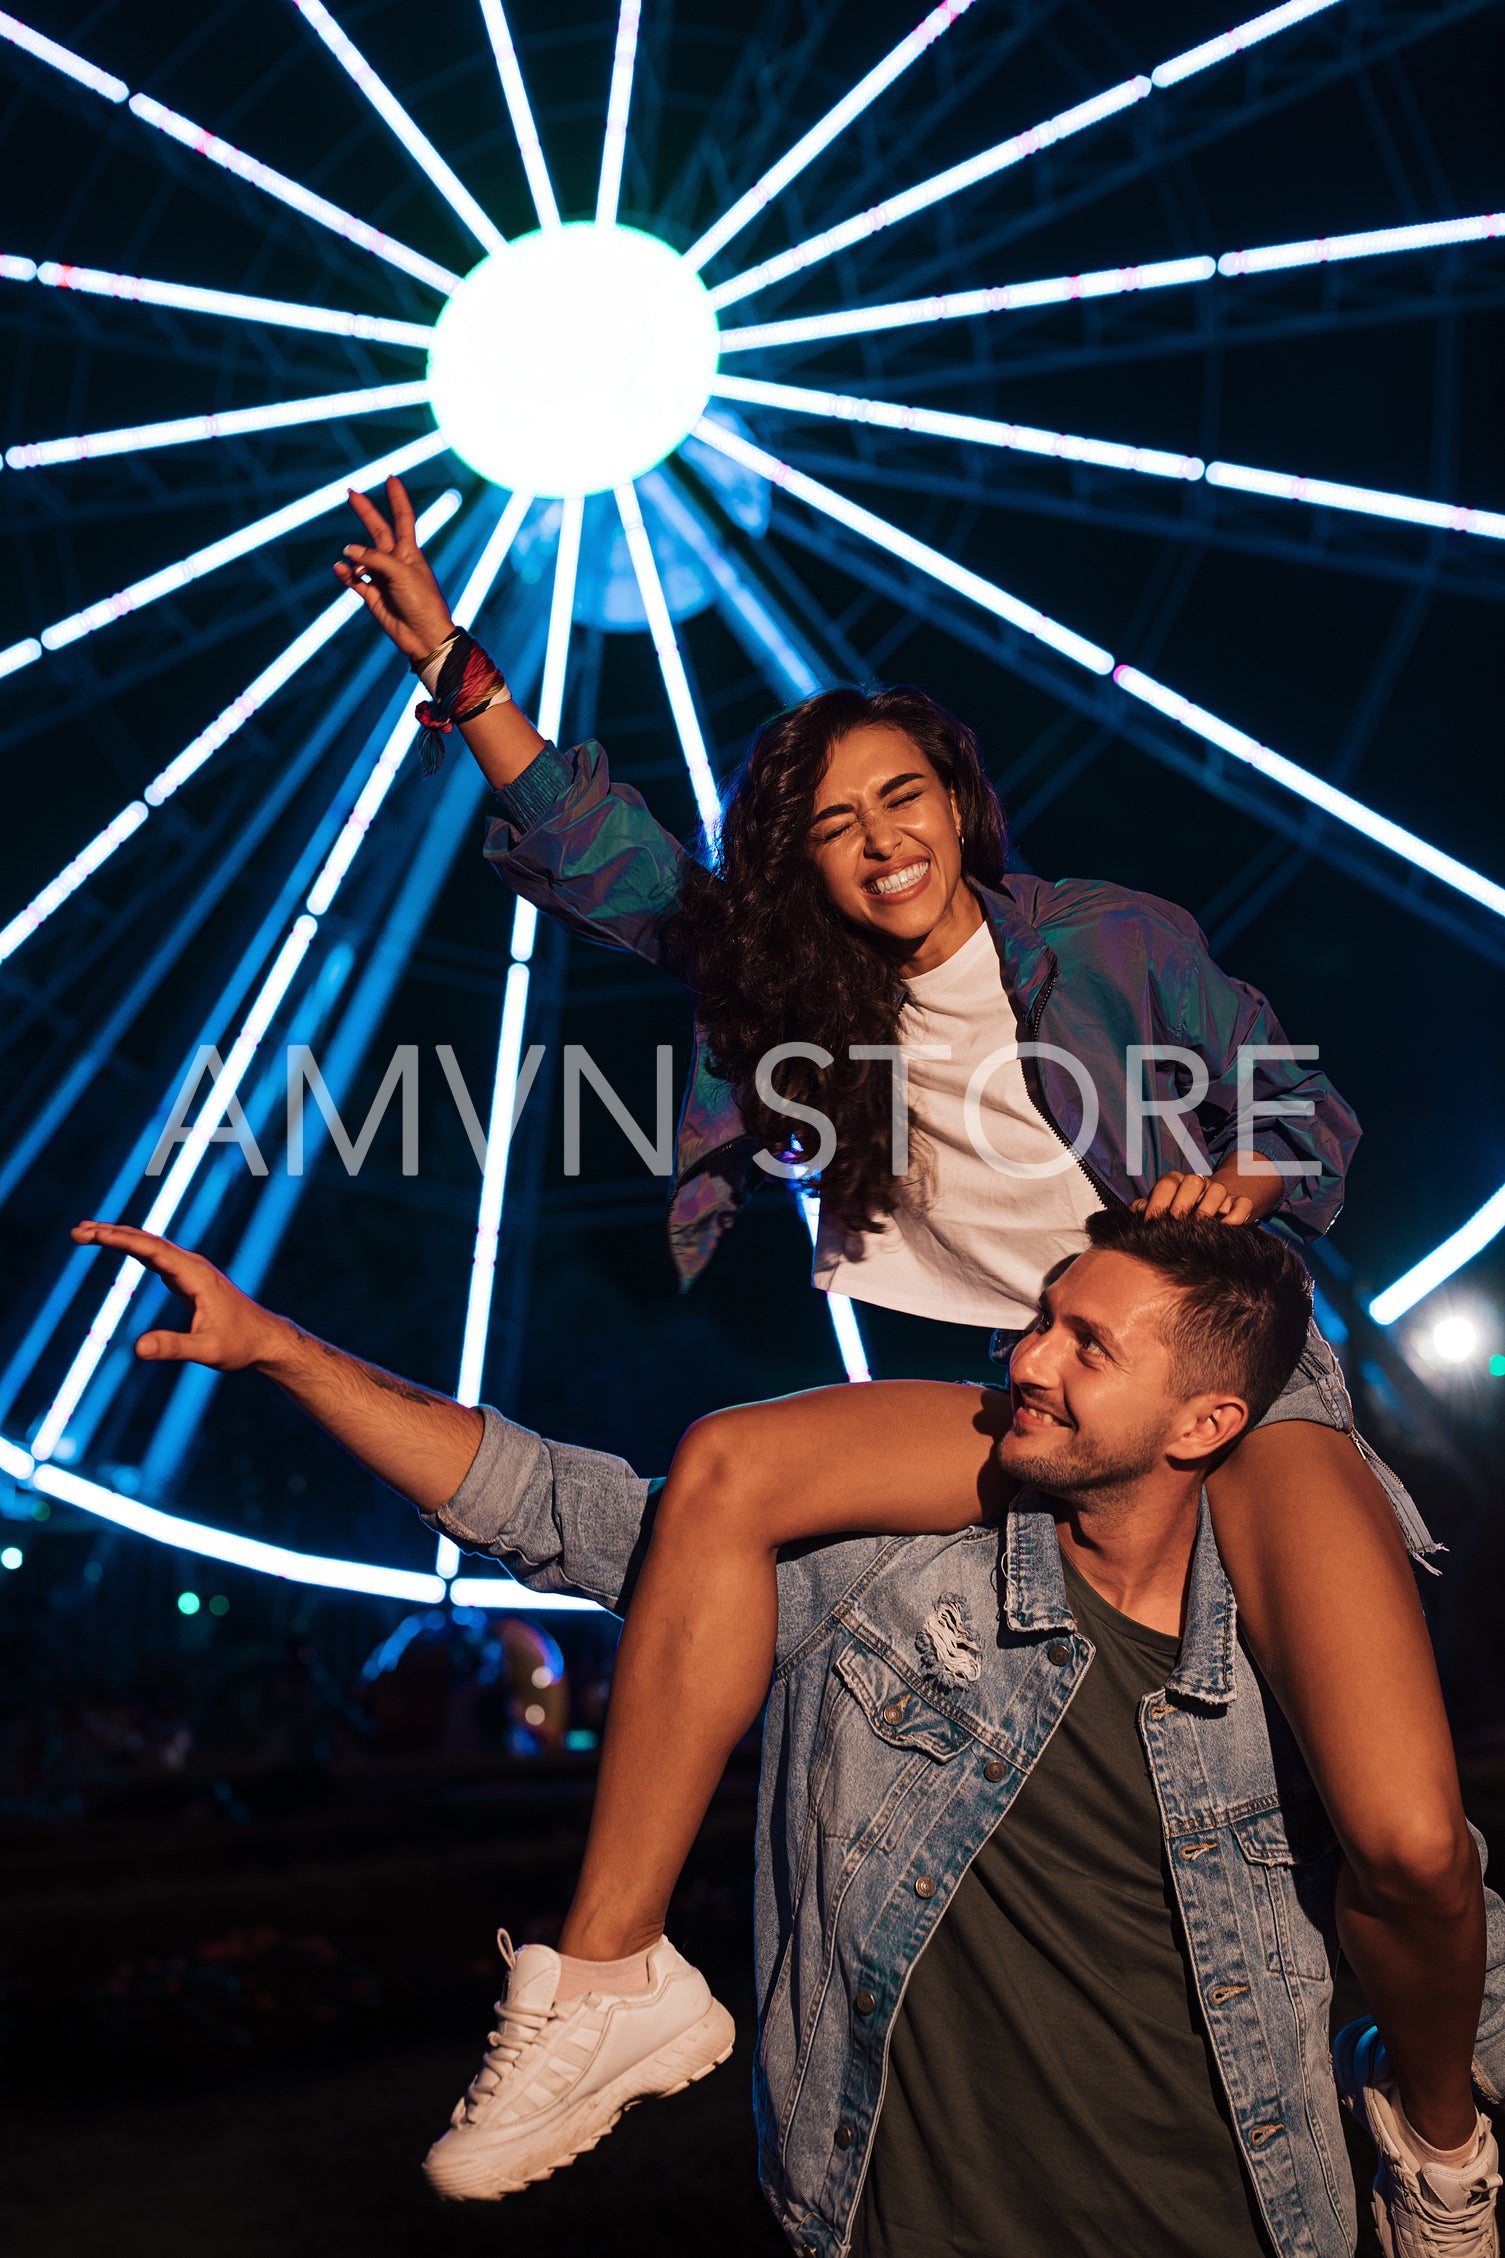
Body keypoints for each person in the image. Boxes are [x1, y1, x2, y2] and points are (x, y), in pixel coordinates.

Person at [325, 473, 1487, 2191]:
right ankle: (611, 1982)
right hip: (1017, 1391)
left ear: (958, 798)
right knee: (726, 1466)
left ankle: (1441, 2137)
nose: (881, 841)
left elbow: (1298, 1101)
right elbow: (616, 861)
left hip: (1224, 1380)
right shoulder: (790, 993)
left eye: (904, 795)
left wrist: (1252, 1172)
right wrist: (463, 675)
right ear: (800, 861)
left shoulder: (1110, 946)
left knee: (1403, 1837)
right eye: (834, 825)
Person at [69, 1212, 1504, 2257]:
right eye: (1039, 1314)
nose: (1023, 1355)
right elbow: (597, 1521)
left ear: (1203, 1422)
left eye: (1084, 1341)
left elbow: (1431, 1901)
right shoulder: (888, 1577)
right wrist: (284, 1355)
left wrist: (1444, 2137)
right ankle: (609, 1977)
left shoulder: (1287, 1669)